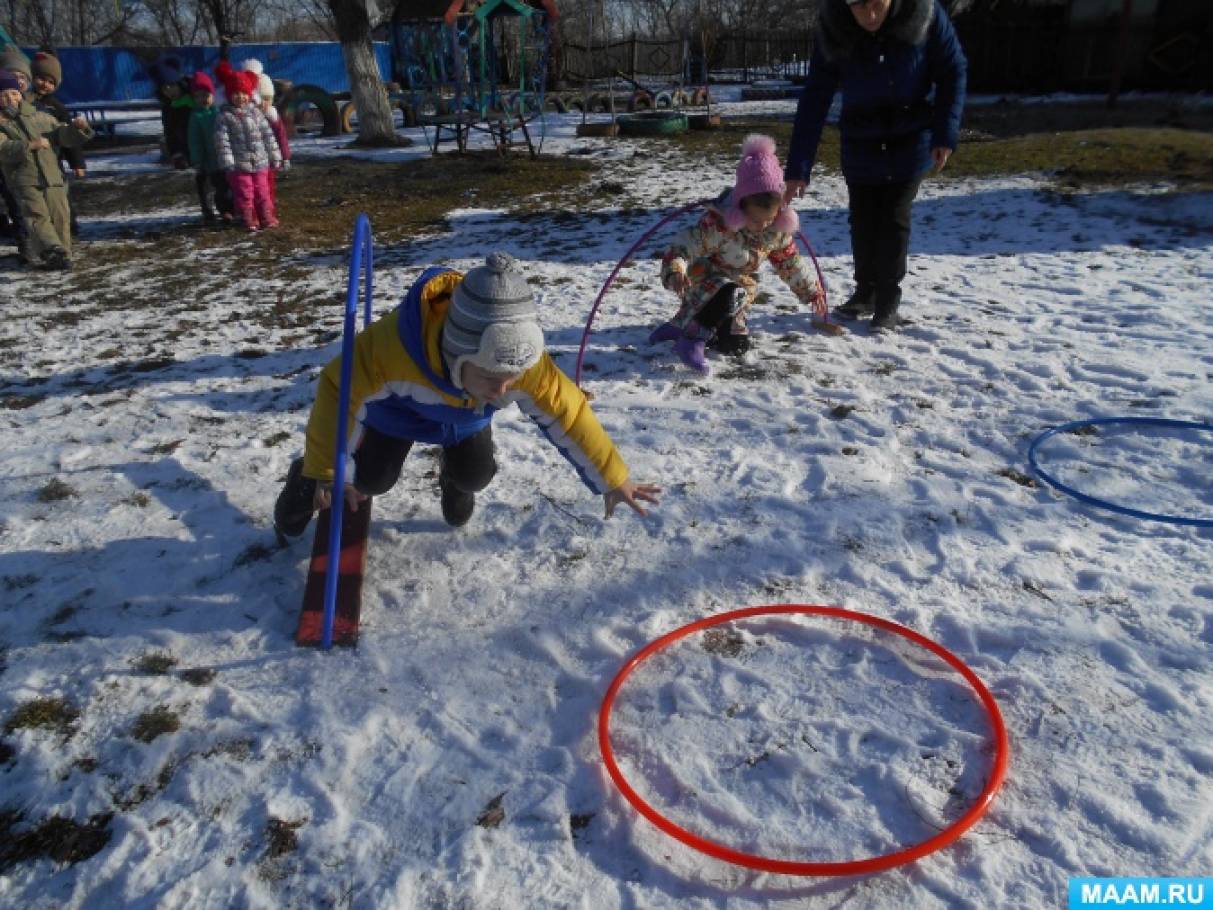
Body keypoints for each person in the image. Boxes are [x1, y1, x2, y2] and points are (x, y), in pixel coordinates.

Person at [274, 253, 661, 538]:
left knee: (475, 475)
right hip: (395, 417)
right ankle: (303, 475)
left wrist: (613, 478)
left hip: (462, 421)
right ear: (458, 356)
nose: (504, 391)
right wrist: (327, 471)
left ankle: (454, 478)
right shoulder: (390, 350)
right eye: (493, 378)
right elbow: (337, 390)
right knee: (372, 480)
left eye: (514, 379)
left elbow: (570, 413)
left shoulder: (520, 366)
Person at [783, 0, 966, 332]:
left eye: (876, 5)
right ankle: (865, 291)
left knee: (894, 218)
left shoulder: (923, 14)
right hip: (861, 140)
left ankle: (888, 300)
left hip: (910, 138)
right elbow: (816, 96)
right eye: (858, 6)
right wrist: (798, 167)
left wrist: (944, 133)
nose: (869, 16)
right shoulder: (834, 25)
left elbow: (953, 70)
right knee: (863, 219)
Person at [648, 134, 824, 376]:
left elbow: (790, 263)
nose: (762, 225)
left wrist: (811, 292)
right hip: (703, 283)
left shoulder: (775, 232)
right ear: (740, 207)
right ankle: (691, 339)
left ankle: (682, 326)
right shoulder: (719, 226)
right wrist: (676, 268)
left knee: (734, 347)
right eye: (755, 219)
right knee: (730, 290)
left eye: (769, 219)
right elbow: (683, 246)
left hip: (739, 293)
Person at [0, 68, 93, 270]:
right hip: (23, 179)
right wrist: (28, 145)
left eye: (14, 93)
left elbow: (61, 135)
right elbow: (2, 148)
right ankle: (51, 250)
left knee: (60, 214)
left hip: (53, 176)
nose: (10, 99)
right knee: (36, 215)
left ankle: (63, 255)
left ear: (21, 94)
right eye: (3, 95)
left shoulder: (40, 116)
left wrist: (77, 129)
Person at [214, 61, 281, 231]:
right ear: (229, 95)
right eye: (235, 93)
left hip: (261, 162)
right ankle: (248, 218)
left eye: (243, 93)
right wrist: (228, 161)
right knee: (245, 192)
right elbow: (222, 141)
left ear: (249, 94)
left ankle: (266, 216)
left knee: (262, 191)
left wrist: (274, 155)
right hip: (239, 164)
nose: (240, 97)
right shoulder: (224, 117)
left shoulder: (256, 113)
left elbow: (268, 136)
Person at [28, 51, 86, 238]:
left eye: (51, 82)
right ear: (32, 77)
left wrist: (77, 163)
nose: (45, 84)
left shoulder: (57, 107)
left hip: (54, 159)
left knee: (61, 195)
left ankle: (70, 226)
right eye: (41, 79)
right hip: (30, 159)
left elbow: (70, 137)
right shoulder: (22, 102)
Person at [243, 59, 290, 214]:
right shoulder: (248, 116)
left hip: (271, 157)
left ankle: (268, 206)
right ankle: (257, 208)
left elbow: (281, 136)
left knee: (268, 183)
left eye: (268, 99)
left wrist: (285, 156)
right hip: (253, 158)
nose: (264, 103)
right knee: (254, 185)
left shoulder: (273, 116)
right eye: (261, 98)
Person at [186, 71, 232, 224]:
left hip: (222, 157)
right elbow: (195, 140)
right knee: (207, 187)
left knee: (223, 187)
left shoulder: (219, 113)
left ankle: (226, 210)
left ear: (212, 96)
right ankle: (208, 210)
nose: (203, 99)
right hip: (207, 160)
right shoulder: (195, 117)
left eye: (206, 95)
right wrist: (197, 159)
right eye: (198, 96)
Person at [0, 45, 32, 262]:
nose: (18, 81)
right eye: (13, 77)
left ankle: (29, 242)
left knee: (22, 204)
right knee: (13, 203)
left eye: (22, 77)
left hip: (20, 167)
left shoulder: (29, 109)